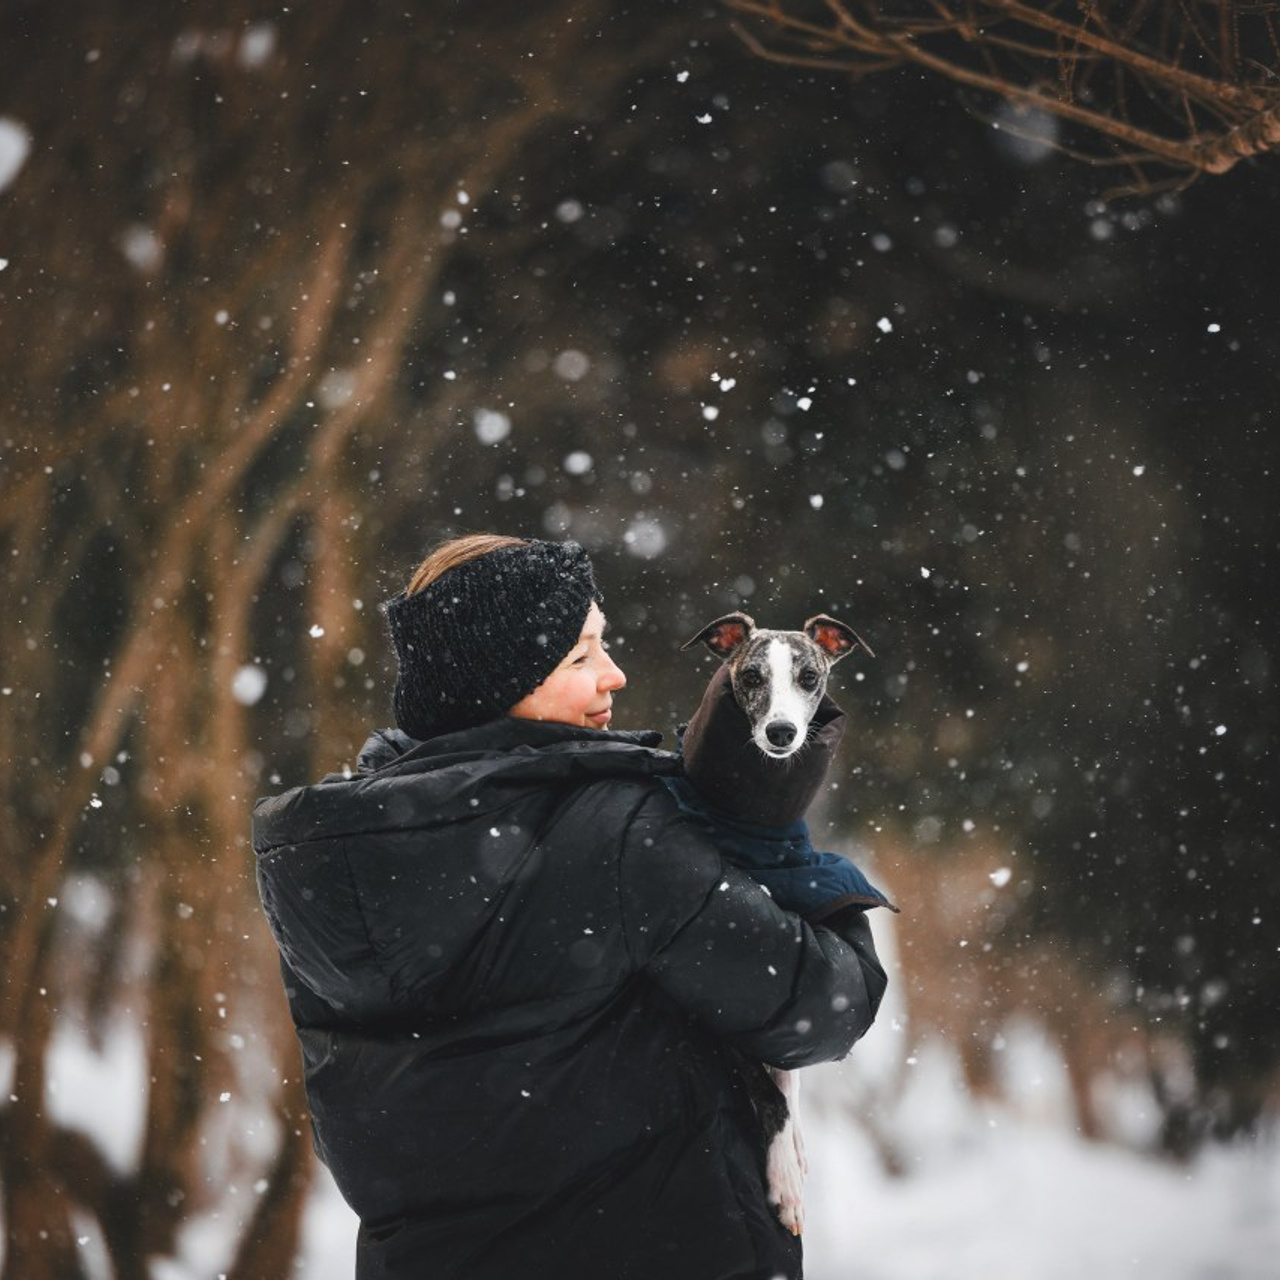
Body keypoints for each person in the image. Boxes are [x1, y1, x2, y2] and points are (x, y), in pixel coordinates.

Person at [253, 534, 888, 1280]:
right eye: (581, 657)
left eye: (605, 645)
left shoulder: (330, 857)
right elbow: (825, 1004)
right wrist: (795, 859)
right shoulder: (618, 835)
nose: (614, 674)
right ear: (498, 685)